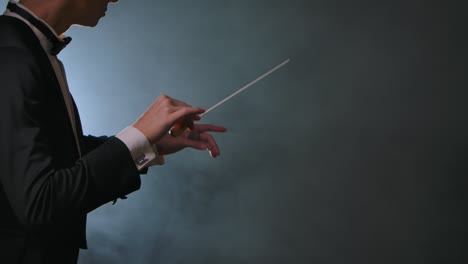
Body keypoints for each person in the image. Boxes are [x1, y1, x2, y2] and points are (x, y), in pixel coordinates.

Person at [0, 0, 227, 263]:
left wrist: (151, 143)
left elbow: (59, 156)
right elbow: (40, 201)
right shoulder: (11, 56)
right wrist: (138, 135)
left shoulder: (25, 49)